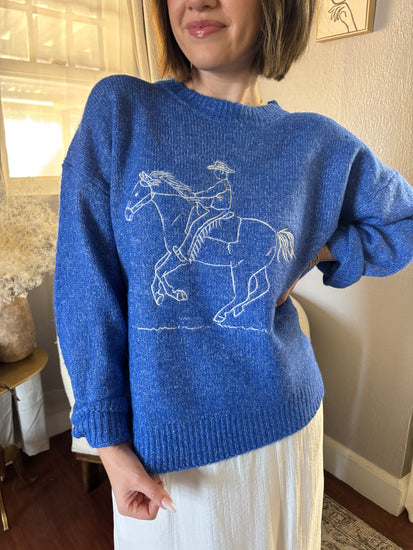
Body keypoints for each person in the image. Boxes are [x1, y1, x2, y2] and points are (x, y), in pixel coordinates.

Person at [53, 0, 413, 548]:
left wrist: (312, 254)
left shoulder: (316, 142)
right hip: (163, 459)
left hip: (284, 433)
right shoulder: (121, 110)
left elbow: (403, 220)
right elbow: (85, 284)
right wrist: (109, 443)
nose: (198, 1)